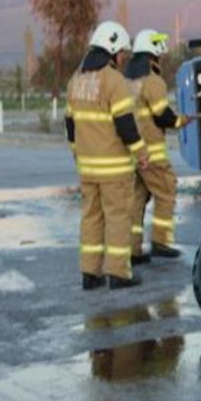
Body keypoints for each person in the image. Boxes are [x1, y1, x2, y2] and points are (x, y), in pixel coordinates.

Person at [65, 21, 149, 290]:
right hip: (114, 170)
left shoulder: (75, 80)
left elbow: (70, 124)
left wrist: (77, 153)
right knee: (117, 217)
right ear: (112, 49)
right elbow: (126, 125)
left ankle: (89, 274)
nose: (123, 57)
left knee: (91, 217)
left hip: (87, 168)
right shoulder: (114, 80)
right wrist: (142, 152)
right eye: (122, 52)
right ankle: (118, 273)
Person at [124, 29, 190, 264]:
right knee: (167, 190)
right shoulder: (153, 81)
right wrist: (180, 121)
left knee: (137, 199)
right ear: (153, 51)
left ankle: (132, 250)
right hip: (152, 153)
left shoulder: (127, 81)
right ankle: (161, 241)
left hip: (132, 152)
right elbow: (162, 114)